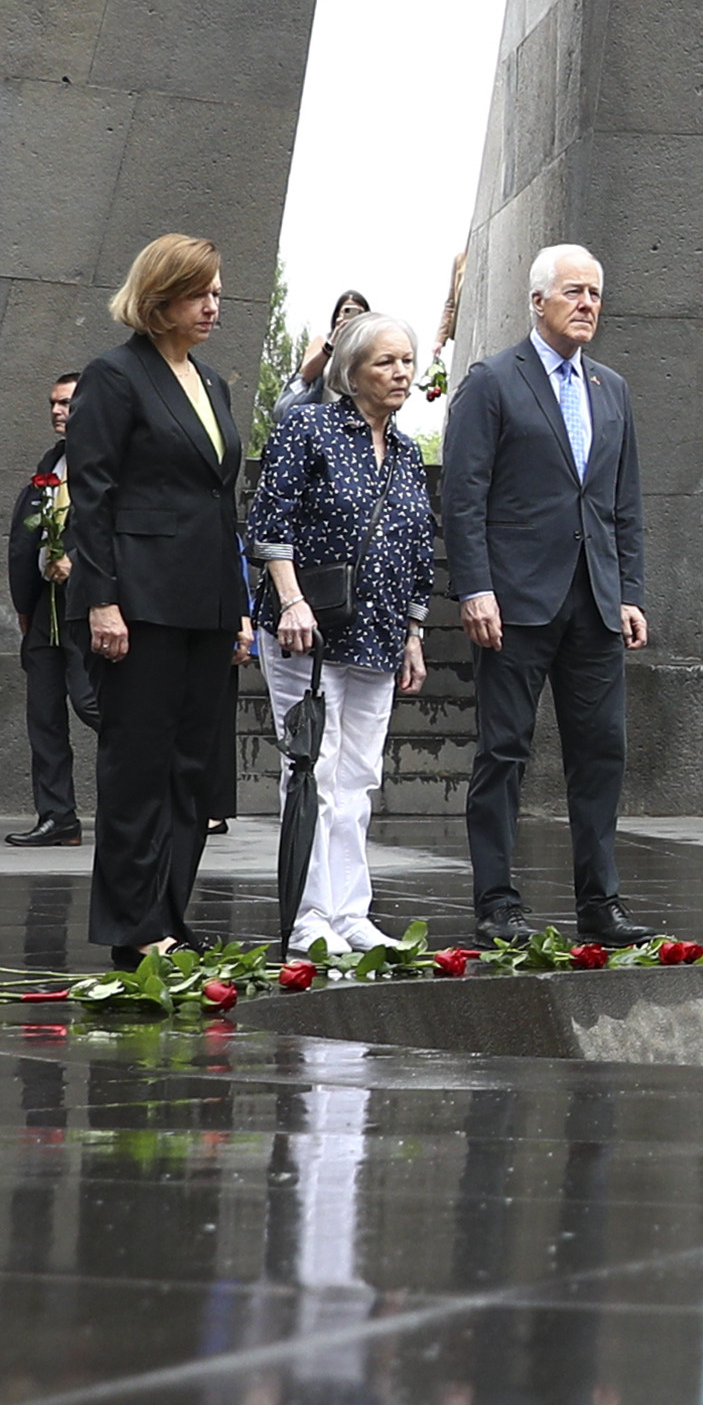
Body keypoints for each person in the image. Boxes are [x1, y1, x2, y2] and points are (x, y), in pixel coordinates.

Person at [447, 244, 653, 947]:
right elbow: (464, 494)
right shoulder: (493, 381)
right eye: (574, 291)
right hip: (514, 603)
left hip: (593, 601)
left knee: (602, 753)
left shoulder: (611, 389)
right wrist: (474, 586)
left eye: (596, 292)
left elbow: (622, 502)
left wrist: (630, 590)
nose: (589, 304)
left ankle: (601, 902)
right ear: (538, 301)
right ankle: (497, 900)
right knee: (503, 751)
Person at [66, 234, 252, 962]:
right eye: (198, 292)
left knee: (191, 771)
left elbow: (219, 502)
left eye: (217, 291)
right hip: (139, 603)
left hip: (206, 606)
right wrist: (101, 600)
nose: (212, 305)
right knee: (136, 766)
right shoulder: (114, 377)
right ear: (158, 297)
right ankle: (132, 926)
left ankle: (171, 918)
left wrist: (237, 607)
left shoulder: (213, 384)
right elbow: (94, 497)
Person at [250, 315, 441, 954]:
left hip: (382, 636)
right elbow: (268, 522)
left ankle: (351, 911)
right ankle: (311, 917)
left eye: (408, 361)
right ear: (351, 370)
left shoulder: (410, 452)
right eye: (386, 362)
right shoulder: (309, 427)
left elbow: (419, 551)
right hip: (311, 632)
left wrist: (414, 632)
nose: (402, 374)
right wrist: (292, 600)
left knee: (359, 777)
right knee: (314, 771)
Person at [4, 371, 98, 847]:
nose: (58, 411)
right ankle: (57, 816)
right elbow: (26, 537)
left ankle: (158, 790)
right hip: (45, 607)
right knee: (43, 714)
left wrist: (76, 563)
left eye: (67, 403)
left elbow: (118, 534)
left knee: (91, 702)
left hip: (87, 605)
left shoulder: (108, 464)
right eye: (53, 404)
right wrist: (25, 604)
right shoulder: (51, 462)